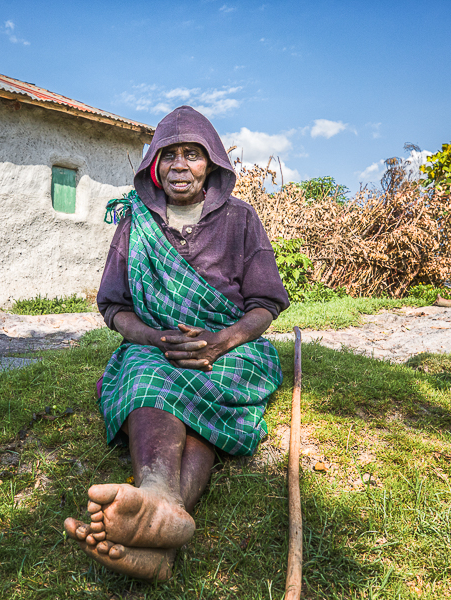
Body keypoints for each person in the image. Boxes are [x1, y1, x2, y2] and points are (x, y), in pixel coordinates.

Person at [64, 106, 289, 581]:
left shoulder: (239, 218)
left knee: (201, 388)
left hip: (232, 347)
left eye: (192, 155)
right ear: (153, 165)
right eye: (168, 156)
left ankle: (157, 512)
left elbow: (266, 303)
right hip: (155, 345)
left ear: (212, 164)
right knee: (147, 378)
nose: (179, 166)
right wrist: (154, 337)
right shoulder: (136, 221)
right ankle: (160, 504)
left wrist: (219, 342)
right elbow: (114, 306)